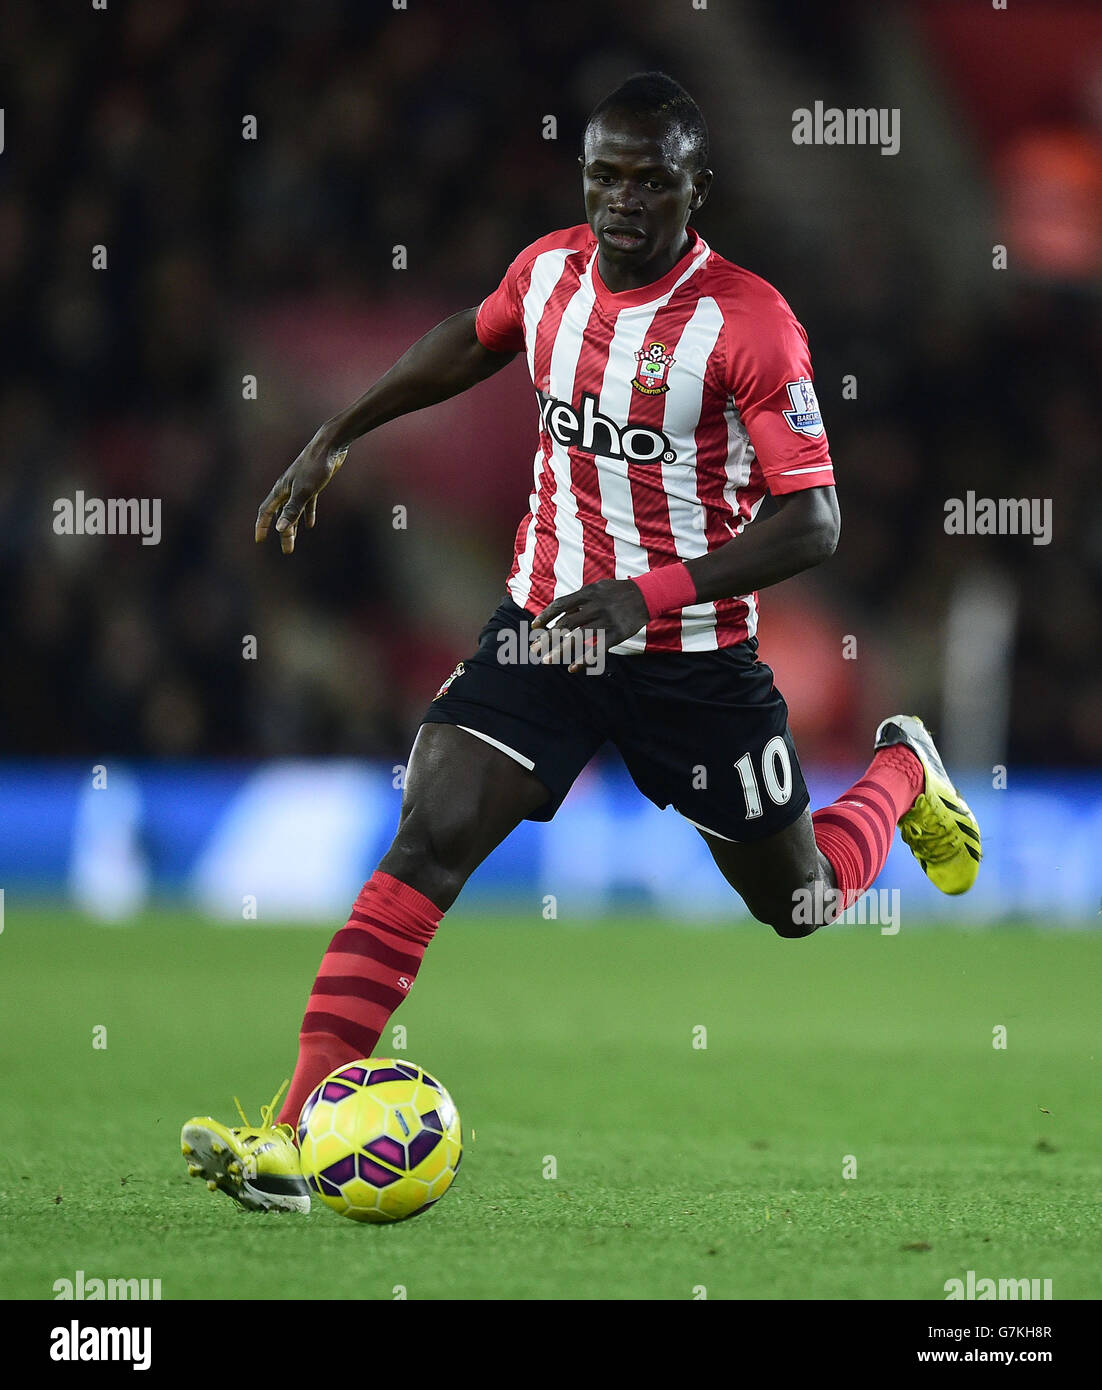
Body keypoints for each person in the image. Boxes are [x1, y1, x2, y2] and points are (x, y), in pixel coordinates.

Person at [181, 72, 980, 1213]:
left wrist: (646, 594)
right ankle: (295, 1132)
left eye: (651, 179)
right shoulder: (549, 272)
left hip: (692, 660)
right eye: (604, 174)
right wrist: (337, 431)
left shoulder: (749, 322)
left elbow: (815, 519)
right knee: (430, 833)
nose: (622, 199)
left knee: (796, 902)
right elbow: (471, 337)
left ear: (695, 189)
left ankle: (900, 770)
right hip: (548, 626)